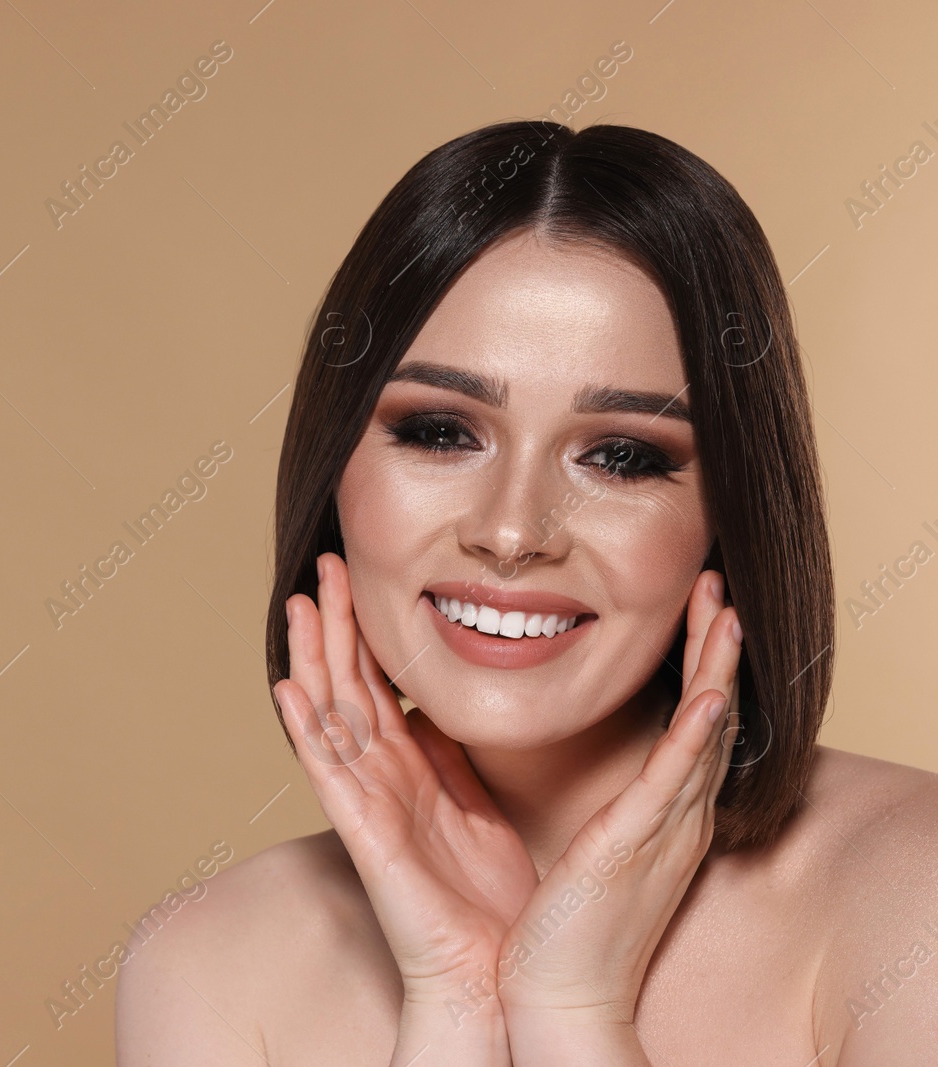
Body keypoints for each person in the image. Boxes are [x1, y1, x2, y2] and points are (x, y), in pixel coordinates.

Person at [113, 120, 938, 1065]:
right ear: (333, 467)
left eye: (621, 455)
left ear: (731, 507)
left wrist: (573, 1012)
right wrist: (458, 1006)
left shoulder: (914, 901)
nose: (511, 531)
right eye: (438, 431)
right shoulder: (209, 966)